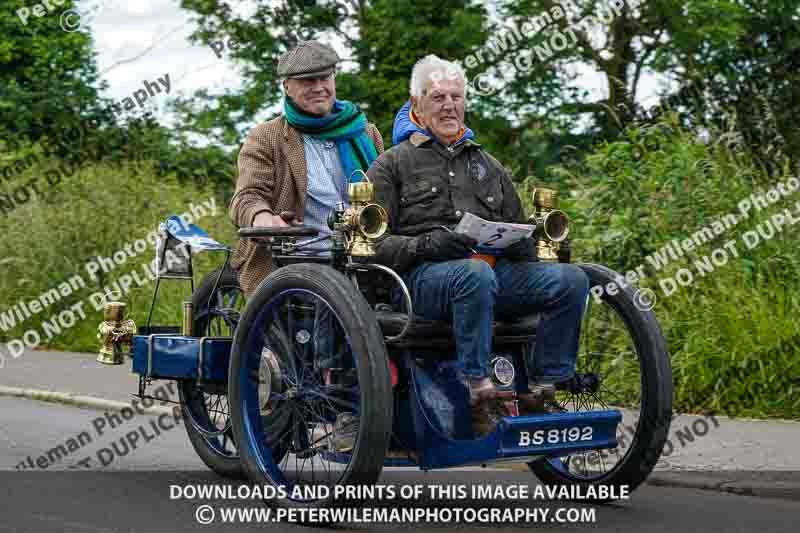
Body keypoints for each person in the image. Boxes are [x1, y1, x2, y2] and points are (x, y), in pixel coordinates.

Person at [366, 55, 590, 437]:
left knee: (570, 280)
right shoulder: (392, 165)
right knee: (474, 274)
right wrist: (426, 244)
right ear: (416, 103)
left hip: (493, 276)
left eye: (456, 96)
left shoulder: (490, 165)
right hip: (422, 283)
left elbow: (520, 231)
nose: (449, 104)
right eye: (438, 97)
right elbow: (370, 245)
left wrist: (529, 242)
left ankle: (543, 388)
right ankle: (480, 393)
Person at [230, 40, 384, 451]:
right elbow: (246, 199)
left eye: (325, 78)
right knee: (341, 289)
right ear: (287, 88)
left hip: (363, 251)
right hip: (294, 254)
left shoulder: (364, 131)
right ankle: (340, 410)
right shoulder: (267, 138)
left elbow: (387, 195)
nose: (319, 87)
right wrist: (267, 221)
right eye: (307, 81)